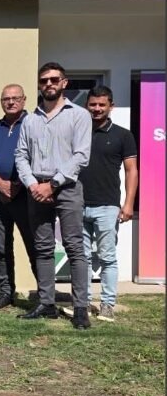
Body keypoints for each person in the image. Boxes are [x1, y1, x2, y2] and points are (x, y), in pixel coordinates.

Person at [15, 62, 93, 329]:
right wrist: (32, 185)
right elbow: (21, 155)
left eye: (53, 79)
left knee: (74, 248)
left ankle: (80, 307)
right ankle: (47, 303)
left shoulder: (79, 115)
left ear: (64, 82)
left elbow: (81, 156)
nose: (48, 84)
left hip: (67, 188)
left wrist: (54, 184)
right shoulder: (30, 119)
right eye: (44, 80)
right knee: (43, 248)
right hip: (36, 189)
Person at [76, 85, 137, 322]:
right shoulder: (78, 132)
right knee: (81, 258)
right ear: (86, 106)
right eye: (93, 104)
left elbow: (132, 170)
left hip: (107, 206)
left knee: (107, 257)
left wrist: (128, 204)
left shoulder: (123, 135)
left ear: (111, 106)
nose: (97, 109)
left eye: (102, 104)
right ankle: (82, 302)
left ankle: (108, 304)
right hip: (78, 204)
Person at [0, 84, 35, 310]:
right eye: (6, 99)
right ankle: (6, 292)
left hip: (26, 196)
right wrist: (1, 185)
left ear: (24, 100)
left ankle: (45, 292)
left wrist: (17, 186)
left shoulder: (34, 125)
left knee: (34, 245)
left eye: (15, 98)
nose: (10, 102)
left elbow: (39, 158)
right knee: (2, 247)